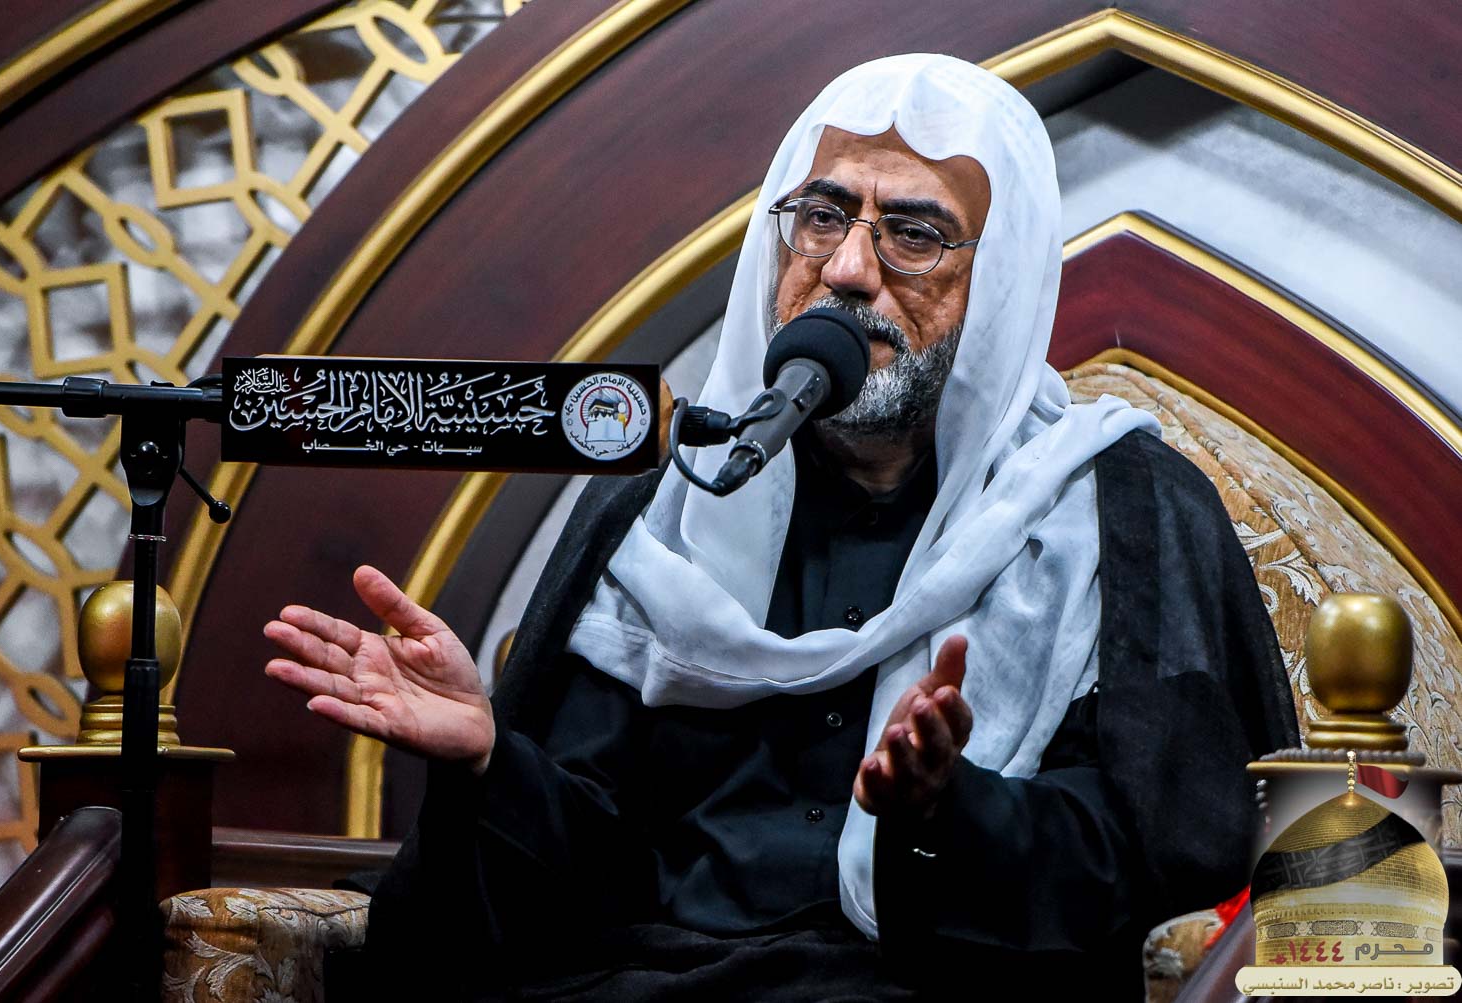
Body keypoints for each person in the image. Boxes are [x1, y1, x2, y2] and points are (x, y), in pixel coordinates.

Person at [264, 54, 1299, 999]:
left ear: (1001, 284)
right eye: (821, 216)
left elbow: (1174, 857)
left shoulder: (1114, 513)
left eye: (913, 234)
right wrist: (492, 760)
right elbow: (587, 867)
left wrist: (948, 808)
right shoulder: (668, 506)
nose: (847, 268)